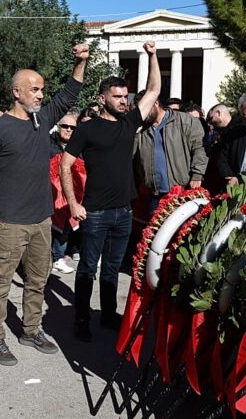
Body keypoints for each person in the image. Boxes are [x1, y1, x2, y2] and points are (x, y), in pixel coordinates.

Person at [0, 43, 89, 365]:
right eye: (35, 90)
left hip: (42, 220)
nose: (40, 95)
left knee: (38, 280)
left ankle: (30, 330)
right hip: (9, 222)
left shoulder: (43, 121)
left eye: (42, 90)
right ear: (17, 92)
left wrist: (80, 62)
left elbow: (70, 93)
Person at [60, 41, 160, 342]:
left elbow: (154, 90)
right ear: (103, 98)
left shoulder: (129, 123)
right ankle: (80, 318)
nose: (123, 101)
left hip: (123, 212)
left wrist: (152, 56)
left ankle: (106, 315)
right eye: (116, 97)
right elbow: (65, 166)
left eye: (125, 96)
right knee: (88, 268)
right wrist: (74, 204)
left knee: (113, 269)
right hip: (95, 212)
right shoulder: (86, 129)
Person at [133, 88, 208, 213]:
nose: (142, 113)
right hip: (154, 196)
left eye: (145, 108)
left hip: (181, 192)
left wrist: (197, 174)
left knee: (183, 231)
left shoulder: (185, 121)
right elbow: (130, 156)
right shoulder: (141, 129)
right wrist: (134, 133)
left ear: (155, 103)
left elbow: (199, 148)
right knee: (156, 232)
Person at [49, 111, 79, 275]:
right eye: (65, 126)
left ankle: (59, 256)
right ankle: (53, 257)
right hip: (50, 194)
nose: (68, 130)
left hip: (71, 195)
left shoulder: (78, 145)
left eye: (73, 127)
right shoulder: (47, 144)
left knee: (66, 226)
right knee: (51, 228)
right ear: (58, 127)